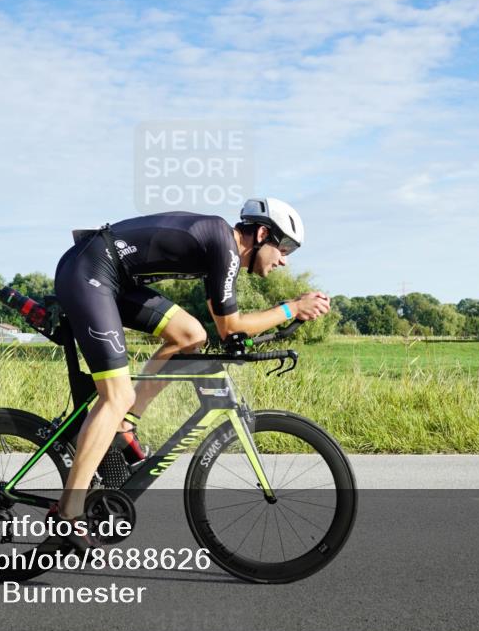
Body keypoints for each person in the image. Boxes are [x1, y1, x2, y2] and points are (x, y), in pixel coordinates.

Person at [51, 198, 332, 546]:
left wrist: (286, 314)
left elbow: (225, 330)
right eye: (284, 247)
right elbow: (230, 327)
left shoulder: (221, 248)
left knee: (191, 336)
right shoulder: (224, 245)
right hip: (89, 272)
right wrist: (291, 308)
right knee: (116, 394)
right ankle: (69, 511)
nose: (284, 259)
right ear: (261, 233)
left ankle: (125, 424)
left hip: (113, 277)